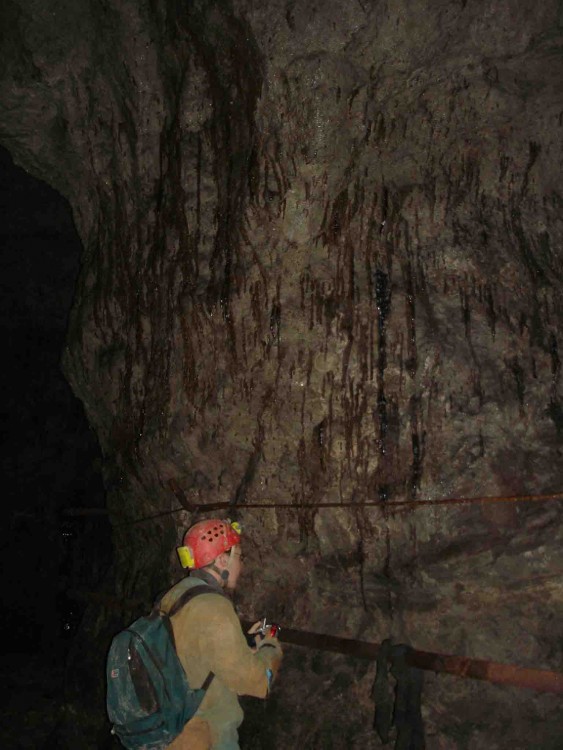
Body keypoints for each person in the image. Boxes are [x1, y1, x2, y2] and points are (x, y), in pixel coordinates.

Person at [160, 518, 283, 750]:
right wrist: (269, 647)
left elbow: (197, 655)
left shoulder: (174, 596)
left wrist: (244, 649)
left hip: (170, 730)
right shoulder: (215, 609)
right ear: (223, 560)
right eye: (239, 557)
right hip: (205, 736)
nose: (241, 565)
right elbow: (254, 681)